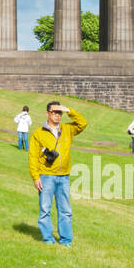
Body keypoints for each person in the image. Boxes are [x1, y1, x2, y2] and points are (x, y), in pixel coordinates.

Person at [28, 102, 87, 247]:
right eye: (54, 112)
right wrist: (36, 177)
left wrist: (69, 110)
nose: (57, 115)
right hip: (46, 176)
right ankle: (48, 238)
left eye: (59, 113)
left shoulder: (67, 129)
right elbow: (32, 156)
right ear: (47, 113)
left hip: (64, 176)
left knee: (65, 210)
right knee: (45, 209)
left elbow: (83, 123)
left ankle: (66, 240)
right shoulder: (38, 133)